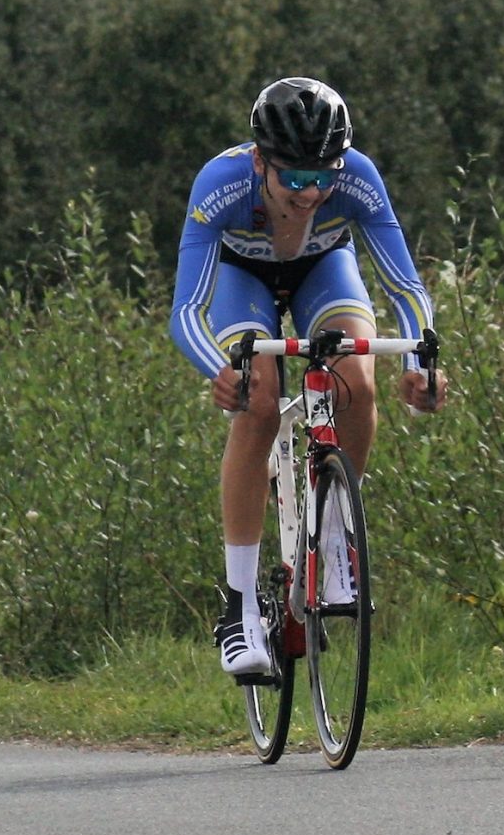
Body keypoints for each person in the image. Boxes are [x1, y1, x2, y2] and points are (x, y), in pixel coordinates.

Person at [169, 77, 447, 676]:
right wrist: (220, 371)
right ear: (261, 161)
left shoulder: (357, 179)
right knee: (260, 401)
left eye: (325, 175)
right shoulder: (221, 185)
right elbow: (186, 311)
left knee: (359, 380)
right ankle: (239, 608)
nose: (312, 192)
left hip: (326, 269)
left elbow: (405, 287)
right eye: (295, 179)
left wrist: (421, 365)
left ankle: (335, 540)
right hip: (245, 282)